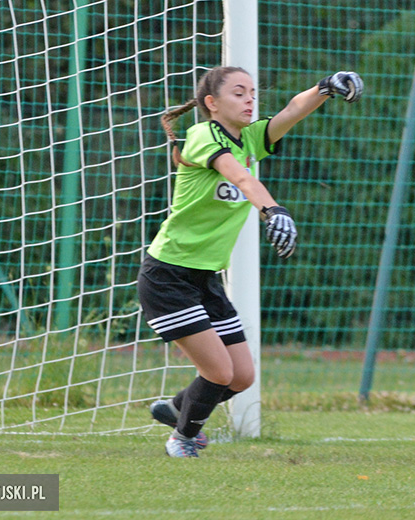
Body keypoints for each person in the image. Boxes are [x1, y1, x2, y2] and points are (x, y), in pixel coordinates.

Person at [139, 66, 363, 457]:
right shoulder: (202, 135)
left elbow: (290, 111)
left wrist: (325, 88)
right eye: (239, 93)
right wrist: (273, 210)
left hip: (204, 278)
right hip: (168, 276)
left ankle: (177, 409)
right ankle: (183, 437)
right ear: (212, 103)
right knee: (218, 372)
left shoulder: (249, 139)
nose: (249, 101)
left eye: (253, 93)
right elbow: (242, 179)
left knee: (241, 377)